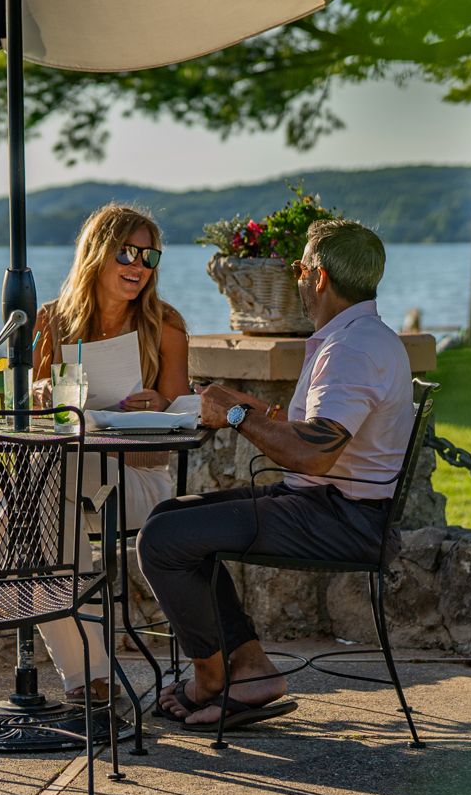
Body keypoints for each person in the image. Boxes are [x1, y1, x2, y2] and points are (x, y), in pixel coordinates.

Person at [137, 219, 413, 731]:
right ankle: (248, 669)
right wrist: (247, 405)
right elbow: (316, 432)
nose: (297, 279)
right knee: (175, 518)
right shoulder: (360, 337)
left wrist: (237, 419)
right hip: (335, 506)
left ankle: (214, 679)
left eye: (300, 269)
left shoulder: (351, 350)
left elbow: (315, 455)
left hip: (342, 517)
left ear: (320, 277)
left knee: (163, 538)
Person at [29, 204, 191, 706]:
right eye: (127, 251)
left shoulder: (164, 324)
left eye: (149, 255)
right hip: (69, 482)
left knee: (37, 496)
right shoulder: (52, 323)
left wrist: (162, 403)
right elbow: (34, 415)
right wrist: (41, 393)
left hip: (140, 485)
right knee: (48, 502)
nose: (139, 264)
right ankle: (90, 677)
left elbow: (183, 413)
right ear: (97, 254)